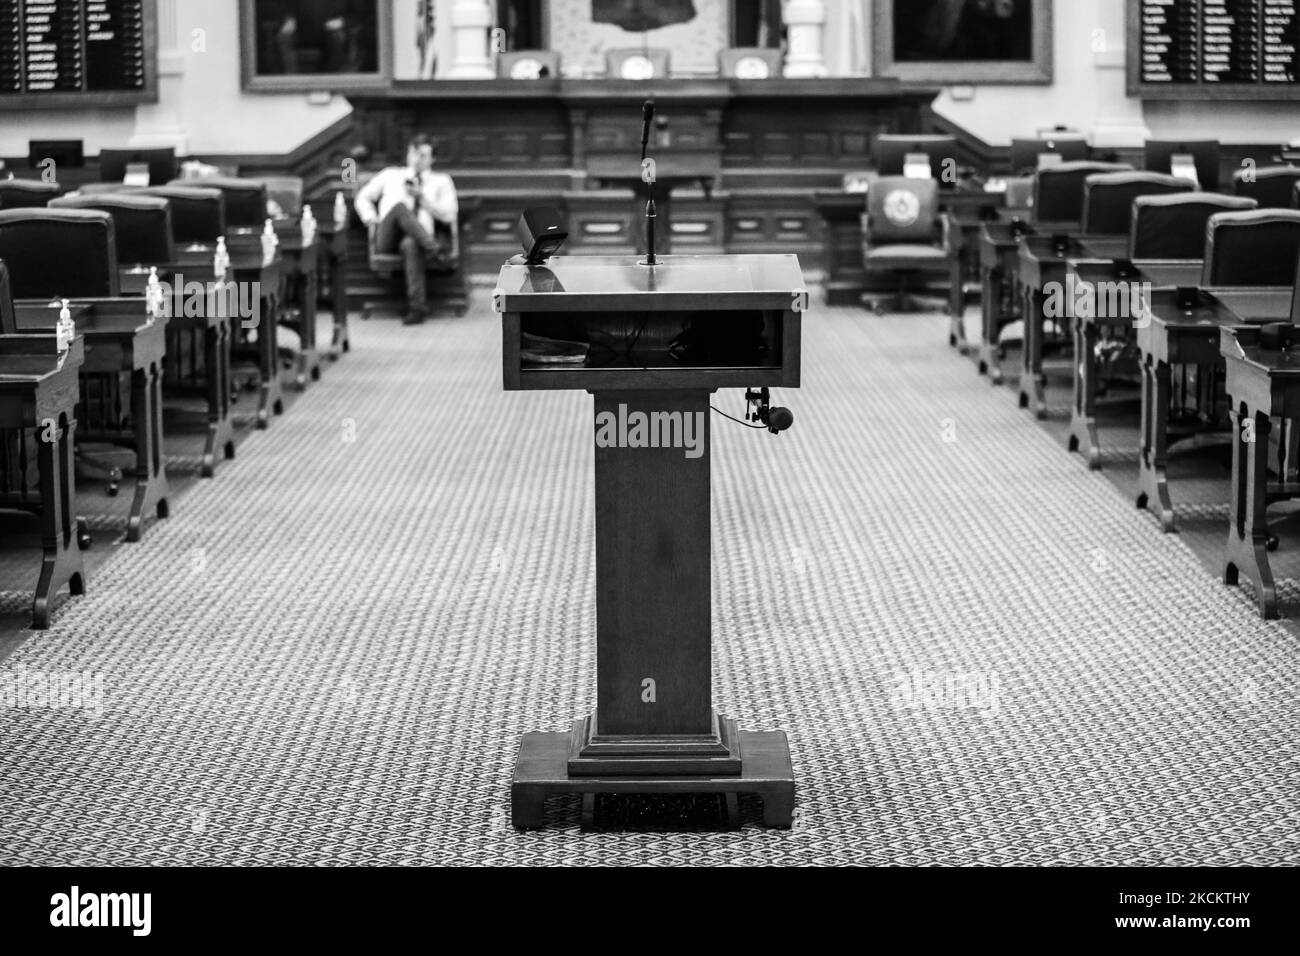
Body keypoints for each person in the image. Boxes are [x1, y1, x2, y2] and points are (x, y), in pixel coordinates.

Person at [353, 134, 458, 325]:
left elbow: (450, 215)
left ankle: (417, 308)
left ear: (433, 158)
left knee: (411, 243)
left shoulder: (441, 181)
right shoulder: (390, 174)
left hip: (416, 240)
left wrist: (423, 199)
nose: (417, 159)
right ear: (408, 154)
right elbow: (362, 197)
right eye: (414, 153)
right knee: (400, 207)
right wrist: (371, 218)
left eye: (423, 155)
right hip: (387, 237)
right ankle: (434, 249)